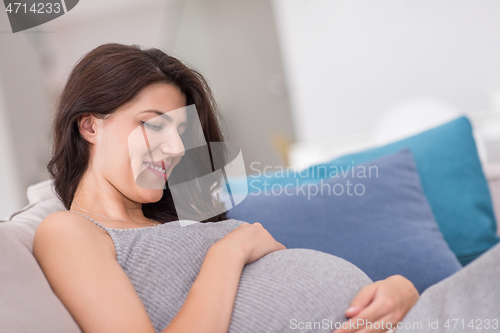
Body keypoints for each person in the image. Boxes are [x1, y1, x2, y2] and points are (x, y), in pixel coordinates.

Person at [33, 43, 419, 333]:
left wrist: (400, 292)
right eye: (153, 124)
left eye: (182, 132)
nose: (176, 148)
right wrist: (228, 253)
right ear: (90, 126)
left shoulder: (182, 218)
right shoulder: (68, 232)